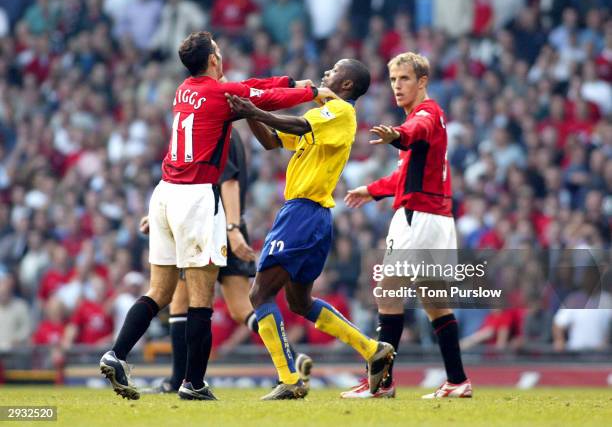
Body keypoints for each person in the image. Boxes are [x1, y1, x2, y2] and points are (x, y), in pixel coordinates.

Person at [99, 31, 334, 401]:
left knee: (158, 291)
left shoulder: (184, 90)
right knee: (201, 299)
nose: (222, 57)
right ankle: (193, 383)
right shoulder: (221, 95)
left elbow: (253, 86)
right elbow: (262, 96)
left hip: (163, 194)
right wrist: (311, 93)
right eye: (219, 53)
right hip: (195, 199)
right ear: (213, 60)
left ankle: (116, 354)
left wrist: (291, 81)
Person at [226, 58, 394, 401]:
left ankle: (289, 377)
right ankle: (373, 349)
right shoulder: (323, 118)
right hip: (313, 217)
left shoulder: (341, 112)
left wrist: (254, 110)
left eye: (333, 71)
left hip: (303, 213)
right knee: (300, 303)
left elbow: (300, 126)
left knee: (259, 294)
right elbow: (273, 141)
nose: (326, 74)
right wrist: (250, 112)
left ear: (346, 85)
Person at [141, 130, 312, 394]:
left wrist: (226, 227)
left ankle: (177, 380)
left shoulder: (214, 133)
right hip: (232, 222)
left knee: (180, 302)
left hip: (206, 224)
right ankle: (291, 355)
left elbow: (222, 181)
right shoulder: (235, 136)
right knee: (241, 308)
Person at [344, 52, 472, 399]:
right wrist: (372, 190)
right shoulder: (425, 118)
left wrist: (397, 135)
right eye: (393, 80)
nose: (398, 86)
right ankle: (457, 381)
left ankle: (381, 383)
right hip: (436, 217)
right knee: (435, 303)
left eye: (404, 79)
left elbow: (412, 133)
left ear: (422, 81)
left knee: (387, 291)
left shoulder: (426, 114)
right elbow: (404, 175)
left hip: (418, 216)